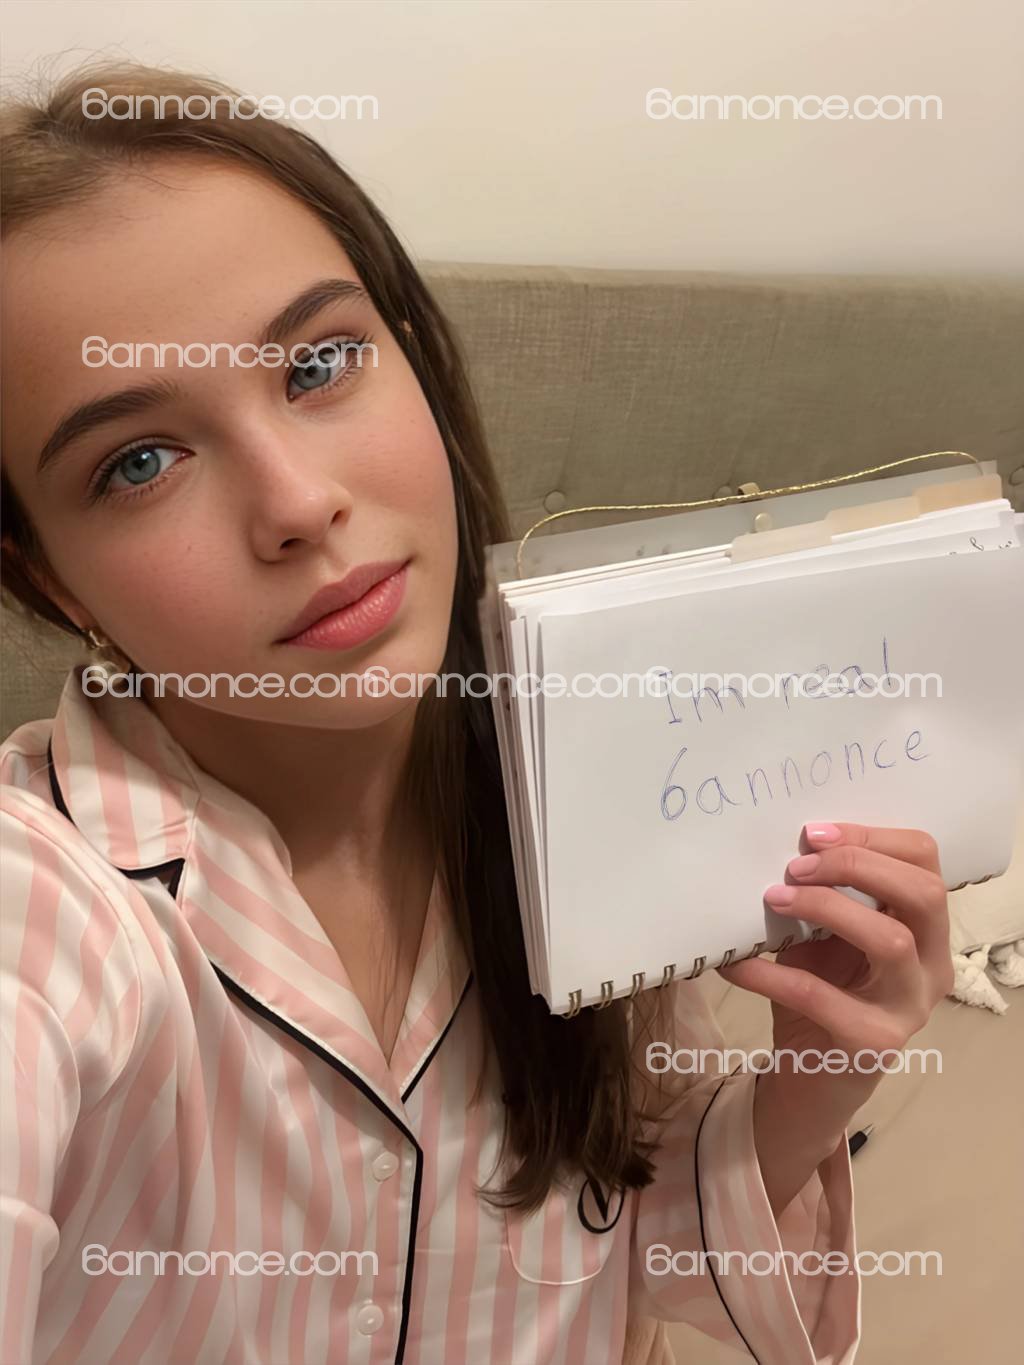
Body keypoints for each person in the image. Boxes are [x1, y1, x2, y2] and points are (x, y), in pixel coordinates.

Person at [0, 64, 953, 1365]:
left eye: (320, 363)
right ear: (54, 578)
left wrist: (814, 1075)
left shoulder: (585, 786)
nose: (297, 503)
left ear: (416, 361)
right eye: (139, 461)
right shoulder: (49, 912)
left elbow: (623, 1225)